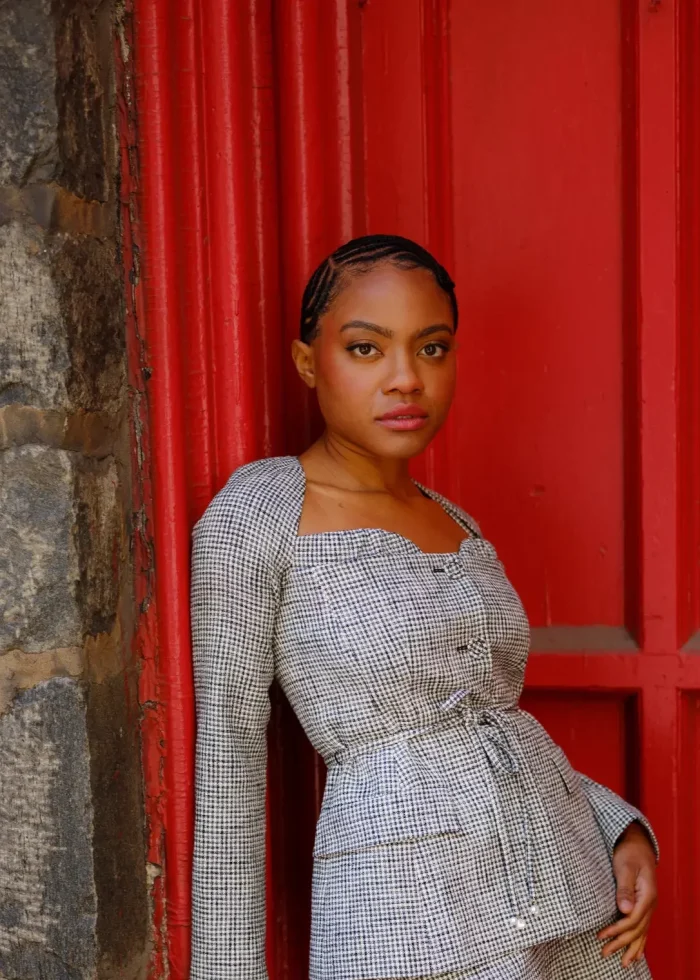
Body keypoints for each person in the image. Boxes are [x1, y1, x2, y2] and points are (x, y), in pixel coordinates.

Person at [189, 234, 659, 980]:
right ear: (309, 362)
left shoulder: (453, 520)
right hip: (407, 921)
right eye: (367, 349)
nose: (407, 378)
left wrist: (616, 829)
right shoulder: (259, 515)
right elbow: (228, 761)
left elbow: (487, 723)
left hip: (573, 904)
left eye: (432, 349)